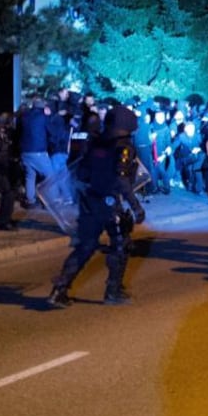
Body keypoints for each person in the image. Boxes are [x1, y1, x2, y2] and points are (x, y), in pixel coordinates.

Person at [47, 105, 144, 308]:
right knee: (120, 245)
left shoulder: (95, 143)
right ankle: (113, 292)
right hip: (110, 203)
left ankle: (59, 290)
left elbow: (81, 173)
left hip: (90, 201)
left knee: (85, 246)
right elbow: (122, 180)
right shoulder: (123, 147)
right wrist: (136, 206)